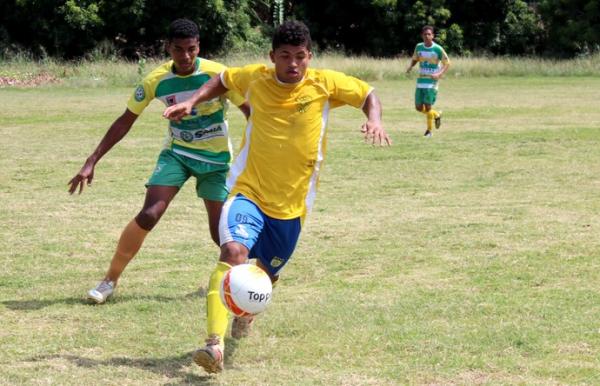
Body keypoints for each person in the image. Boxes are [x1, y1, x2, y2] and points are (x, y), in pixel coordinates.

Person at [163, 20, 392, 373]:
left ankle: (245, 313)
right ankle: (213, 344)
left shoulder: (324, 84)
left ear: (309, 56)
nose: (293, 64)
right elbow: (222, 80)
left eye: (300, 56)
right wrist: (193, 100)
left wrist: (375, 120)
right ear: (272, 57)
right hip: (248, 191)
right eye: (285, 56)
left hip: (292, 206)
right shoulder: (256, 77)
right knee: (233, 253)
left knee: (266, 277)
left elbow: (367, 94)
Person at [68, 18, 249, 304]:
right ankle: (108, 281)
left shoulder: (219, 74)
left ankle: (247, 283)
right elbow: (124, 121)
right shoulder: (156, 80)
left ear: (199, 46)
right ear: (168, 48)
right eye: (179, 49)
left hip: (216, 161)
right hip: (177, 154)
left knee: (221, 234)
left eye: (191, 49)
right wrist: (92, 160)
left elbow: (250, 112)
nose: (186, 56)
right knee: (149, 213)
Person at [406, 25, 450, 137]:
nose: (427, 36)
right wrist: (410, 66)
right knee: (418, 107)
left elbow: (447, 63)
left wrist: (439, 74)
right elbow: (415, 59)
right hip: (421, 80)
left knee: (428, 106)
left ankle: (429, 131)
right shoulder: (419, 47)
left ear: (433, 36)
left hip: (431, 81)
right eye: (425, 34)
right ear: (422, 35)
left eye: (429, 34)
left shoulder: (438, 49)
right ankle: (436, 115)